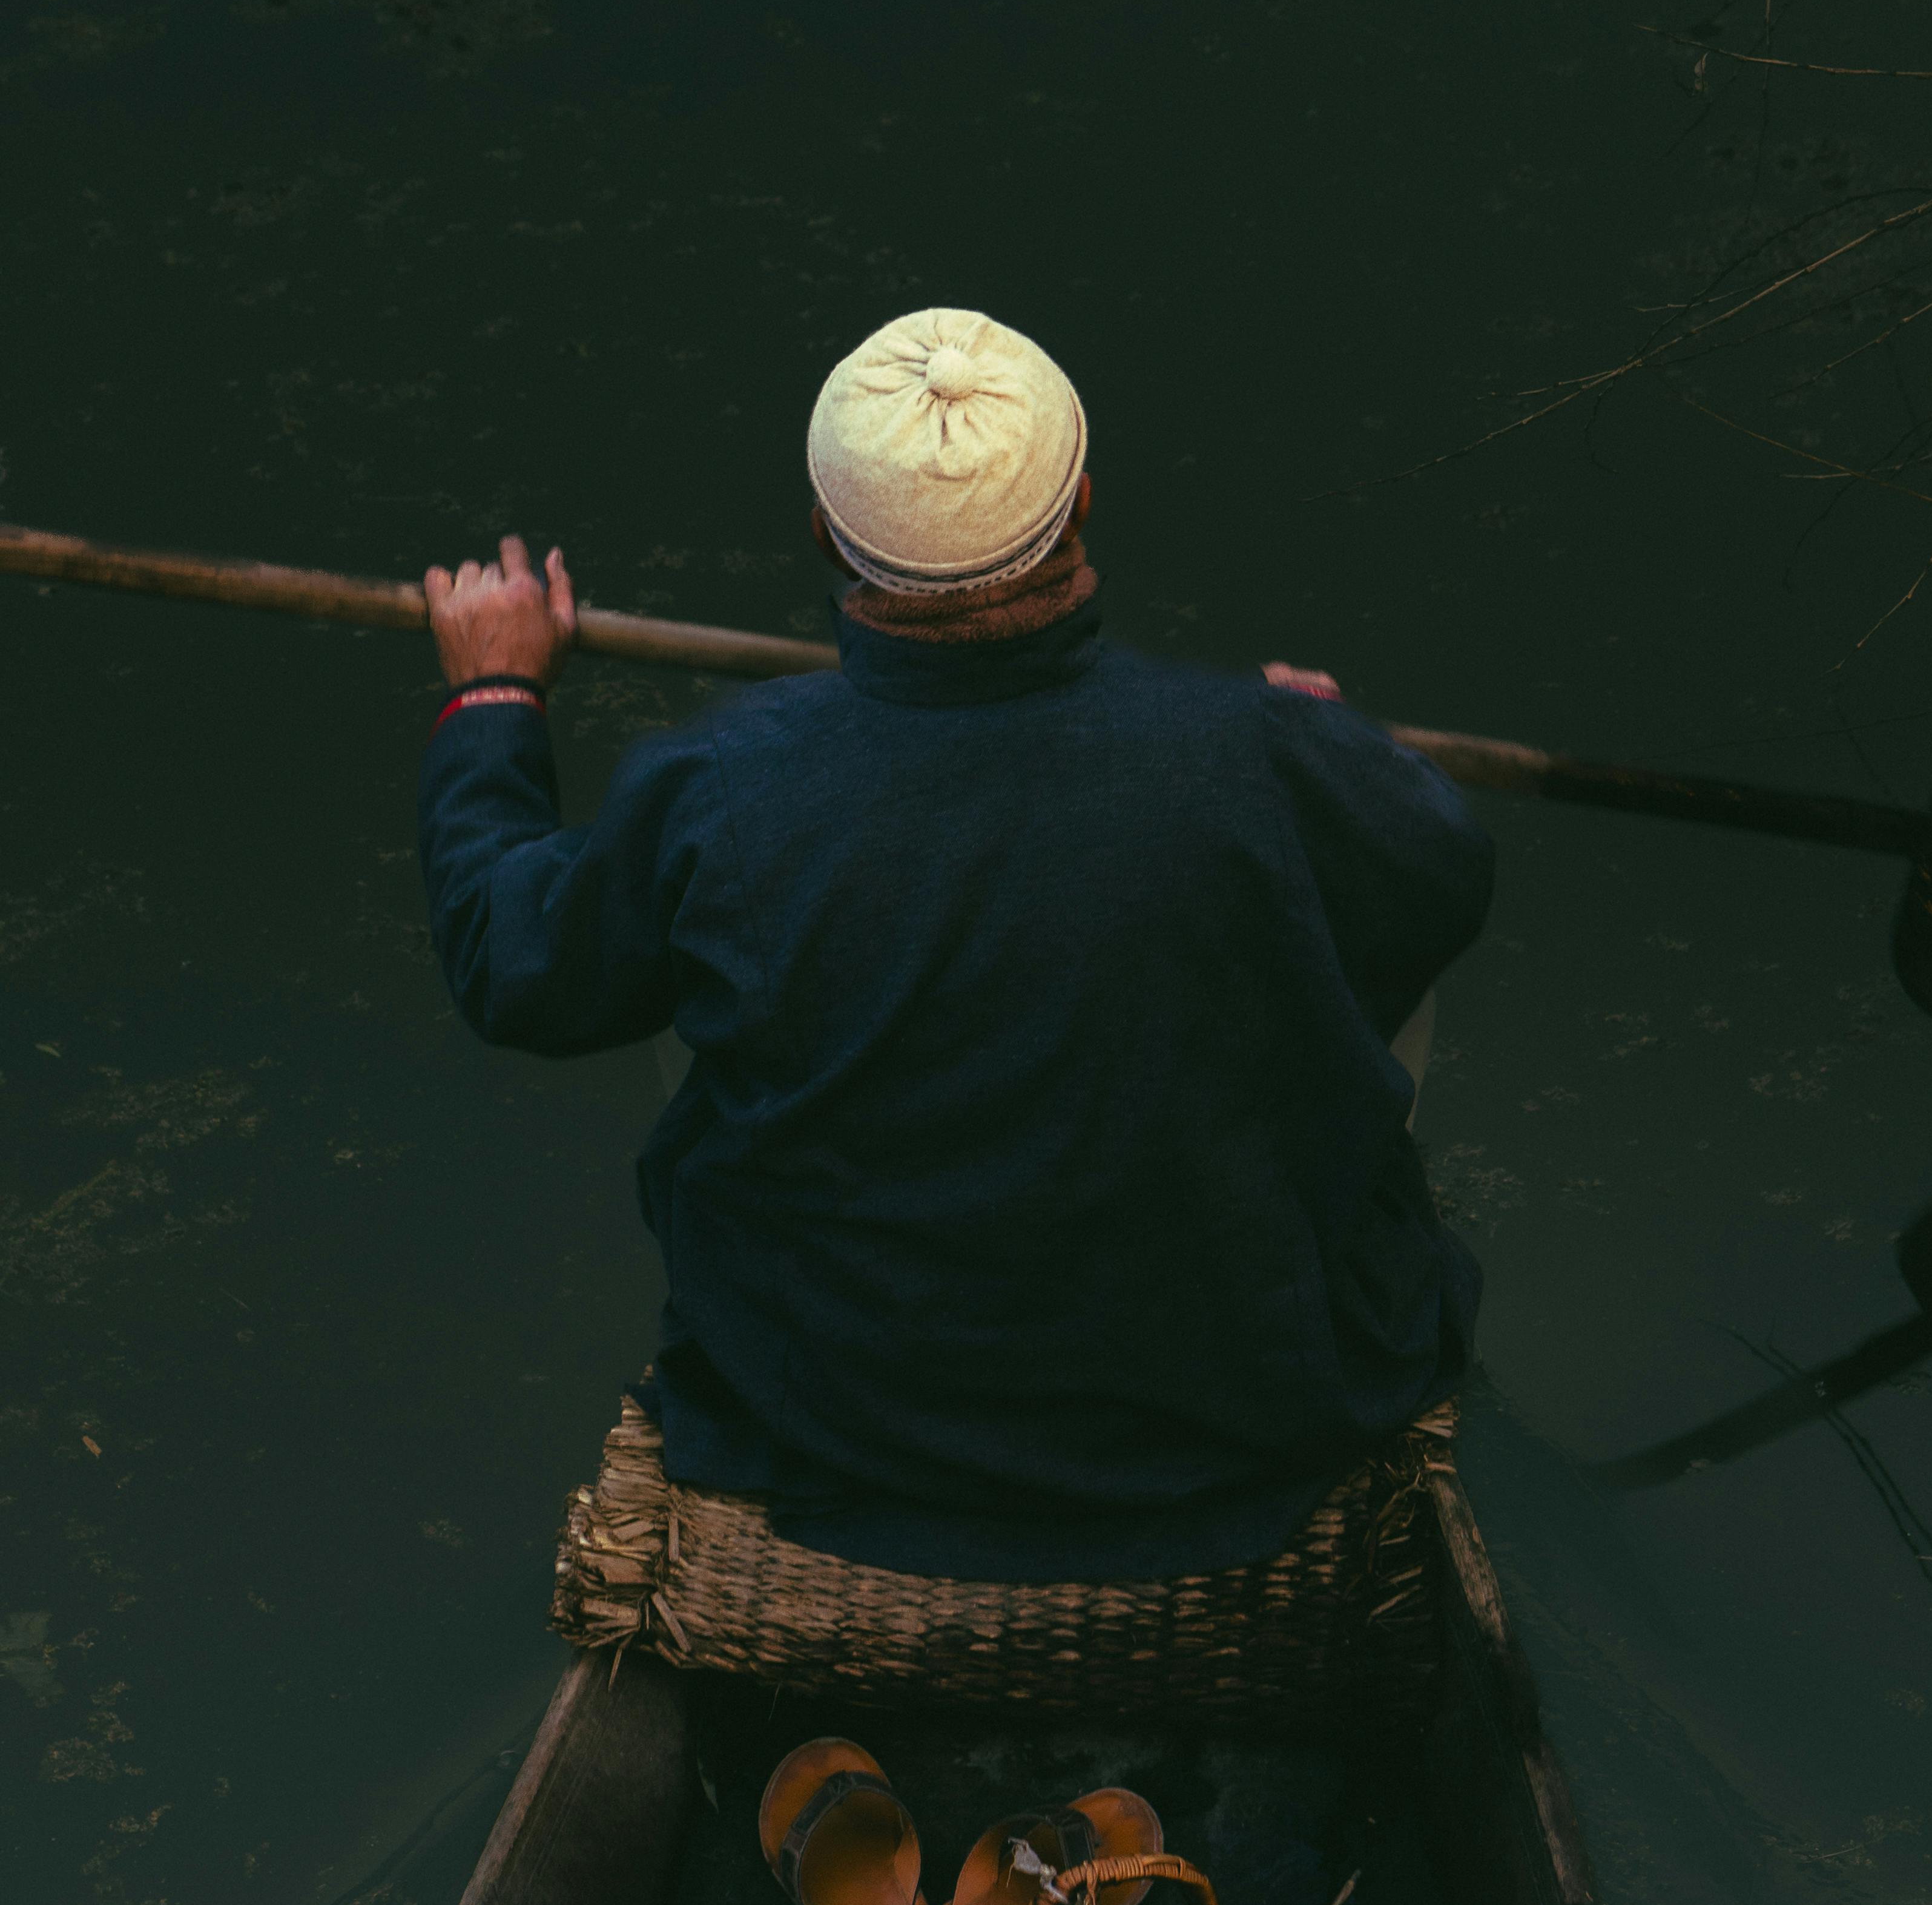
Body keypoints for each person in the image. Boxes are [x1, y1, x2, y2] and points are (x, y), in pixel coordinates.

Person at [418, 306, 1492, 1585]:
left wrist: (494, 699)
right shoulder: (1266, 755)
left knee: (682, 954)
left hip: (831, 1426)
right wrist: (1336, 754)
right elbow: (1439, 874)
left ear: (829, 538)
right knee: (1345, 912)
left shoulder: (716, 783)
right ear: (1080, 502)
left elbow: (518, 964)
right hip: (1259, 1416)